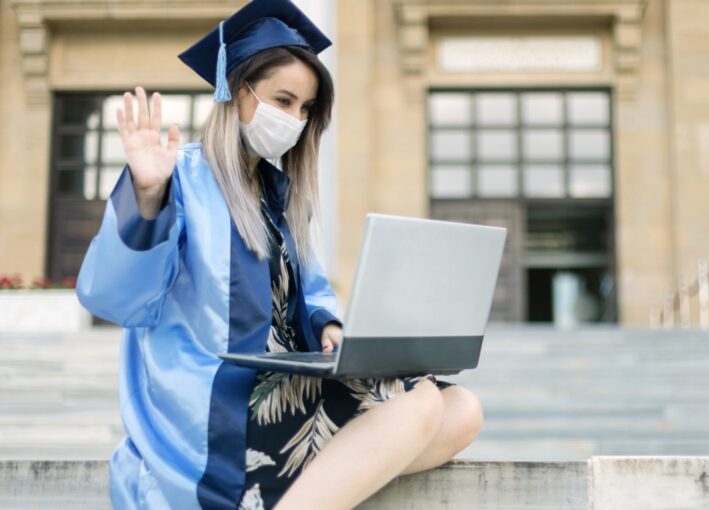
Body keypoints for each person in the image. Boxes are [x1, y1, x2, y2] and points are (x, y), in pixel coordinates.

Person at [75, 1, 484, 508]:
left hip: (288, 380)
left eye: (306, 108)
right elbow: (113, 299)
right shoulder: (174, 177)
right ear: (236, 90)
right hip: (216, 400)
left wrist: (331, 328)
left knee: (462, 408)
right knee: (419, 406)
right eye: (283, 100)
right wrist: (147, 195)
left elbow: (309, 290)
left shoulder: (279, 195)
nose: (294, 119)